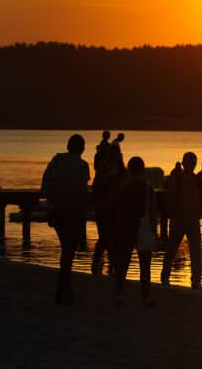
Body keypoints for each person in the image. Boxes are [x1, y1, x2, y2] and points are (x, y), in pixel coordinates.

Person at [42, 134, 90, 304]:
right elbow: (82, 192)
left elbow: (45, 184)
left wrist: (51, 202)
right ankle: (63, 289)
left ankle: (64, 288)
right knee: (69, 250)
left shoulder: (56, 161)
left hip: (57, 210)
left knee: (66, 248)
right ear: (82, 148)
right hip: (73, 212)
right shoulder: (82, 166)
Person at [112, 156, 156, 306]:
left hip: (125, 226)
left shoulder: (123, 187)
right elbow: (152, 212)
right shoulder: (148, 188)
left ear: (129, 170)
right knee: (145, 265)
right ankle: (145, 295)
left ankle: (120, 294)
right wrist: (155, 231)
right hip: (143, 227)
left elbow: (117, 209)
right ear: (142, 169)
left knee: (123, 263)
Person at [161, 152, 202, 289]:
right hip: (180, 219)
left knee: (193, 251)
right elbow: (170, 198)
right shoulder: (179, 179)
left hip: (188, 220)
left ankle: (195, 279)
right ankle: (167, 276)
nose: (191, 165)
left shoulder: (198, 180)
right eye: (190, 162)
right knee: (175, 249)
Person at [91, 130, 126, 275]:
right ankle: (103, 263)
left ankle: (104, 264)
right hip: (107, 207)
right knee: (106, 236)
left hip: (108, 207)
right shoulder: (108, 171)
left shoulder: (109, 169)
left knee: (106, 236)